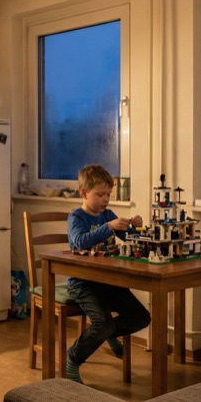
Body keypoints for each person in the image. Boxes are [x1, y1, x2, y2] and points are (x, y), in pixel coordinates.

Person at [65, 164, 152, 383]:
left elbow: (129, 237)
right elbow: (79, 242)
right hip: (82, 283)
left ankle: (108, 333)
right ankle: (73, 358)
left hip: (108, 281)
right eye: (100, 194)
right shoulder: (76, 217)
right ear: (83, 193)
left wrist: (135, 227)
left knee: (141, 317)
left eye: (108, 195)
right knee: (102, 323)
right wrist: (109, 227)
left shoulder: (108, 215)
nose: (105, 200)